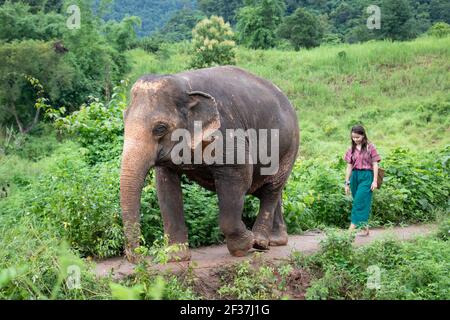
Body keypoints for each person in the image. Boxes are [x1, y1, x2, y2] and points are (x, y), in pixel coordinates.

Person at [343, 125, 381, 236]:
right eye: (353, 138)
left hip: (367, 176)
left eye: (357, 137)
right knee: (360, 202)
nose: (355, 140)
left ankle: (351, 228)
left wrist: (374, 181)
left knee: (358, 202)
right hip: (355, 176)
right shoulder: (351, 149)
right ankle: (365, 227)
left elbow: (375, 164)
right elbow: (349, 166)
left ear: (363, 135)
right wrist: (347, 182)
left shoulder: (370, 147)